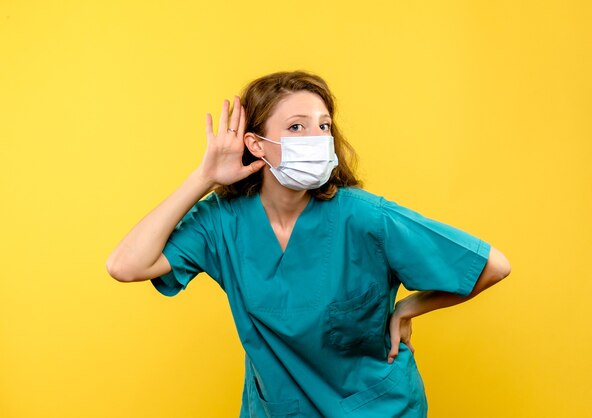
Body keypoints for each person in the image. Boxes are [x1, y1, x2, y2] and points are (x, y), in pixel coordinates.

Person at [106, 70, 511, 417]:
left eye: (324, 125)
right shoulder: (223, 222)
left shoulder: (364, 216)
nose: (316, 137)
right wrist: (203, 178)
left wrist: (408, 307)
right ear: (256, 145)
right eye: (296, 127)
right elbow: (126, 266)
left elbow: (492, 264)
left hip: (373, 408)